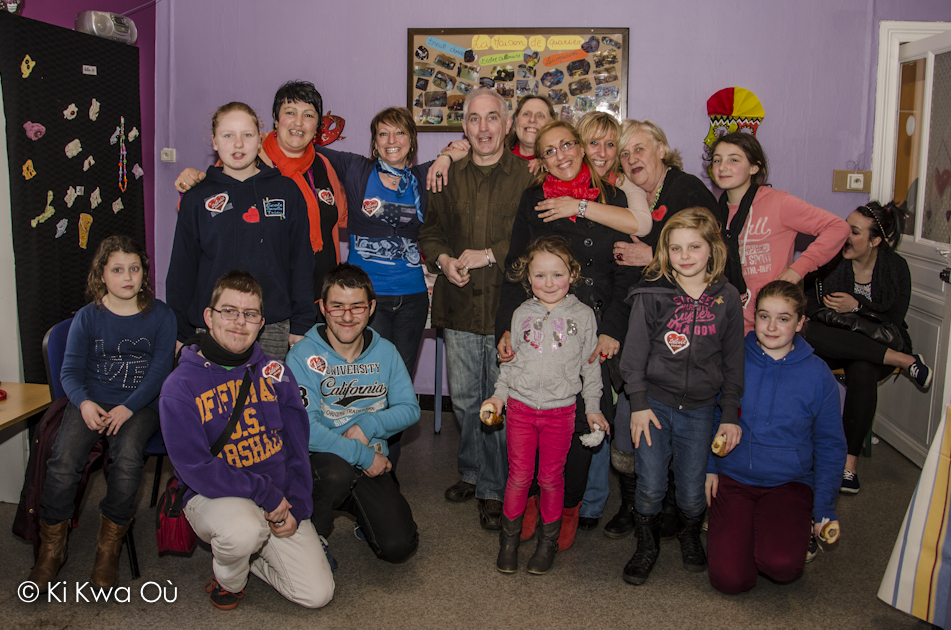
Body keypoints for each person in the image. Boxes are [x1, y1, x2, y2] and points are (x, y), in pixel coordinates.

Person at [496, 120, 640, 552]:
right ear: (539, 161)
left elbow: (626, 272)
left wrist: (613, 329)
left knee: (581, 423)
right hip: (540, 327)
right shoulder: (533, 199)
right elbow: (515, 267)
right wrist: (505, 326)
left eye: (567, 145)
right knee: (534, 419)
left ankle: (570, 506)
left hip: (593, 328)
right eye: (549, 151)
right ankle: (534, 501)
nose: (560, 155)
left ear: (580, 147)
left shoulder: (611, 198)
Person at [160, 270, 333, 610]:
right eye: (229, 311)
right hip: (214, 495)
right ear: (209, 317)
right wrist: (263, 493)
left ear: (261, 323)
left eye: (250, 314)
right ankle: (230, 579)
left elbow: (298, 449)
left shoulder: (277, 373)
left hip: (277, 498)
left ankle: (250, 557)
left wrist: (297, 506)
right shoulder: (179, 386)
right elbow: (195, 467)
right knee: (242, 532)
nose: (239, 323)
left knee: (317, 595)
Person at [29, 236, 176, 591]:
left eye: (134, 268)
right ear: (102, 275)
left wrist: (128, 407)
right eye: (117, 269)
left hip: (140, 403)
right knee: (63, 458)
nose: (127, 277)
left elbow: (159, 373)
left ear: (144, 273)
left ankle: (107, 548)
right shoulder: (87, 317)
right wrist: (83, 402)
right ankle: (52, 549)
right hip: (92, 400)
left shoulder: (162, 316)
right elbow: (70, 371)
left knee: (127, 458)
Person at [419, 87, 534, 530]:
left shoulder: (529, 177)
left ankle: (491, 487)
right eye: (474, 119)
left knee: (501, 400)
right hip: (461, 303)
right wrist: (444, 260)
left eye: (492, 118)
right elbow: (430, 232)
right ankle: (472, 470)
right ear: (463, 127)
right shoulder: (445, 175)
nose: (483, 127)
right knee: (467, 401)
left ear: (507, 125)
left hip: (510, 309)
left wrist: (490, 254)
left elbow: (533, 241)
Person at [607, 119, 722, 541]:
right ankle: (635, 502)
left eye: (639, 148)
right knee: (631, 412)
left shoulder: (686, 189)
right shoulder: (642, 195)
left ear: (662, 148)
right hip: (647, 318)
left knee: (671, 419)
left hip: (687, 323)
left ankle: (669, 504)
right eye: (625, 153)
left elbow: (700, 249)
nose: (632, 158)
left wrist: (650, 255)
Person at [619, 207, 744, 585]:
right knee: (651, 484)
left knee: (692, 492)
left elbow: (734, 362)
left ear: (713, 251)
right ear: (665, 252)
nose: (685, 256)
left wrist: (730, 413)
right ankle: (646, 544)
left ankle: (690, 533)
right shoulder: (652, 294)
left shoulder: (728, 298)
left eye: (694, 247)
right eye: (676, 248)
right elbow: (633, 357)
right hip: (653, 406)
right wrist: (638, 405)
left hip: (702, 410)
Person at [706, 281, 846, 594]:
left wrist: (824, 507)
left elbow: (830, 444)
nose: (771, 327)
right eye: (764, 316)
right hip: (735, 478)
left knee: (783, 566)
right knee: (730, 580)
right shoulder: (732, 358)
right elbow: (712, 416)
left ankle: (792, 527)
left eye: (783, 319)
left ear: (799, 323)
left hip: (789, 483)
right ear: (753, 317)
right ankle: (745, 529)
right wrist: (710, 468)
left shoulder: (818, 374)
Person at [484, 236, 609, 575]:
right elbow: (509, 363)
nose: (549, 283)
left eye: (557, 274)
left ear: (572, 274)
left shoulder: (583, 316)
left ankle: (546, 544)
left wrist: (593, 407)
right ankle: (508, 543)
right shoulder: (521, 313)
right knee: (519, 476)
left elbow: (590, 366)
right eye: (540, 276)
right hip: (521, 410)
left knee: (552, 478)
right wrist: (499, 396)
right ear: (528, 278)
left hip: (561, 412)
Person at [286, 264, 420, 563]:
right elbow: (305, 428)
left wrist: (370, 423)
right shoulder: (302, 355)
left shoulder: (386, 351)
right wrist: (364, 456)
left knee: (399, 547)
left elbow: (410, 409)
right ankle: (312, 533)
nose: (347, 317)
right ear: (322, 308)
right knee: (336, 472)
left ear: (371, 308)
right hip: (322, 465)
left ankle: (362, 513)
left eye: (357, 306)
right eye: (337, 307)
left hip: (367, 459)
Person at [312, 107, 460, 376]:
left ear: (412, 141)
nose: (391, 140)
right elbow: (307, 150)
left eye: (400, 133)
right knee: (368, 378)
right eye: (383, 134)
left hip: (412, 298)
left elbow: (469, 148)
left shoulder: (423, 177)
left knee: (400, 380)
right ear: (375, 142)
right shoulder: (357, 169)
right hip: (366, 298)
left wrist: (445, 157)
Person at [175, 81, 348, 303]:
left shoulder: (323, 165)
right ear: (276, 120)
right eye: (290, 112)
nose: (298, 122)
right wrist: (190, 183)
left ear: (317, 126)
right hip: (266, 301)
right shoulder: (246, 162)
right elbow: (202, 212)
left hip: (322, 297)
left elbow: (343, 219)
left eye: (308, 115)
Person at [166, 101, 315, 361]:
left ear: (260, 139)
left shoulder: (286, 191)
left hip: (272, 325)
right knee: (214, 401)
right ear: (214, 142)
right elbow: (182, 270)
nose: (238, 144)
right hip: (212, 326)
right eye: (228, 135)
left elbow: (300, 262)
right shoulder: (197, 197)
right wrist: (180, 331)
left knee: (267, 400)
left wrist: (301, 324)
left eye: (247, 135)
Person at [803, 202, 932, 494]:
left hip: (879, 342)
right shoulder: (830, 259)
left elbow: (893, 322)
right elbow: (807, 303)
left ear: (875, 241)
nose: (844, 234)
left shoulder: (896, 268)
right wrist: (840, 317)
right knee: (809, 331)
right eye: (845, 226)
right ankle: (903, 360)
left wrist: (857, 306)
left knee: (862, 369)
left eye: (854, 231)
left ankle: (849, 466)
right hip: (835, 340)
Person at [710, 131, 849, 332]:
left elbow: (838, 227)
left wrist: (797, 270)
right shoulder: (714, 211)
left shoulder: (778, 202)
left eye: (733, 160)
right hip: (727, 320)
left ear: (754, 167)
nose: (722, 167)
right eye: (717, 160)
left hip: (769, 323)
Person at [507, 95, 556, 159]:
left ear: (551, 124)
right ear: (516, 120)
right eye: (526, 114)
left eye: (540, 116)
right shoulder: (499, 160)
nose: (532, 119)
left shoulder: (560, 161)